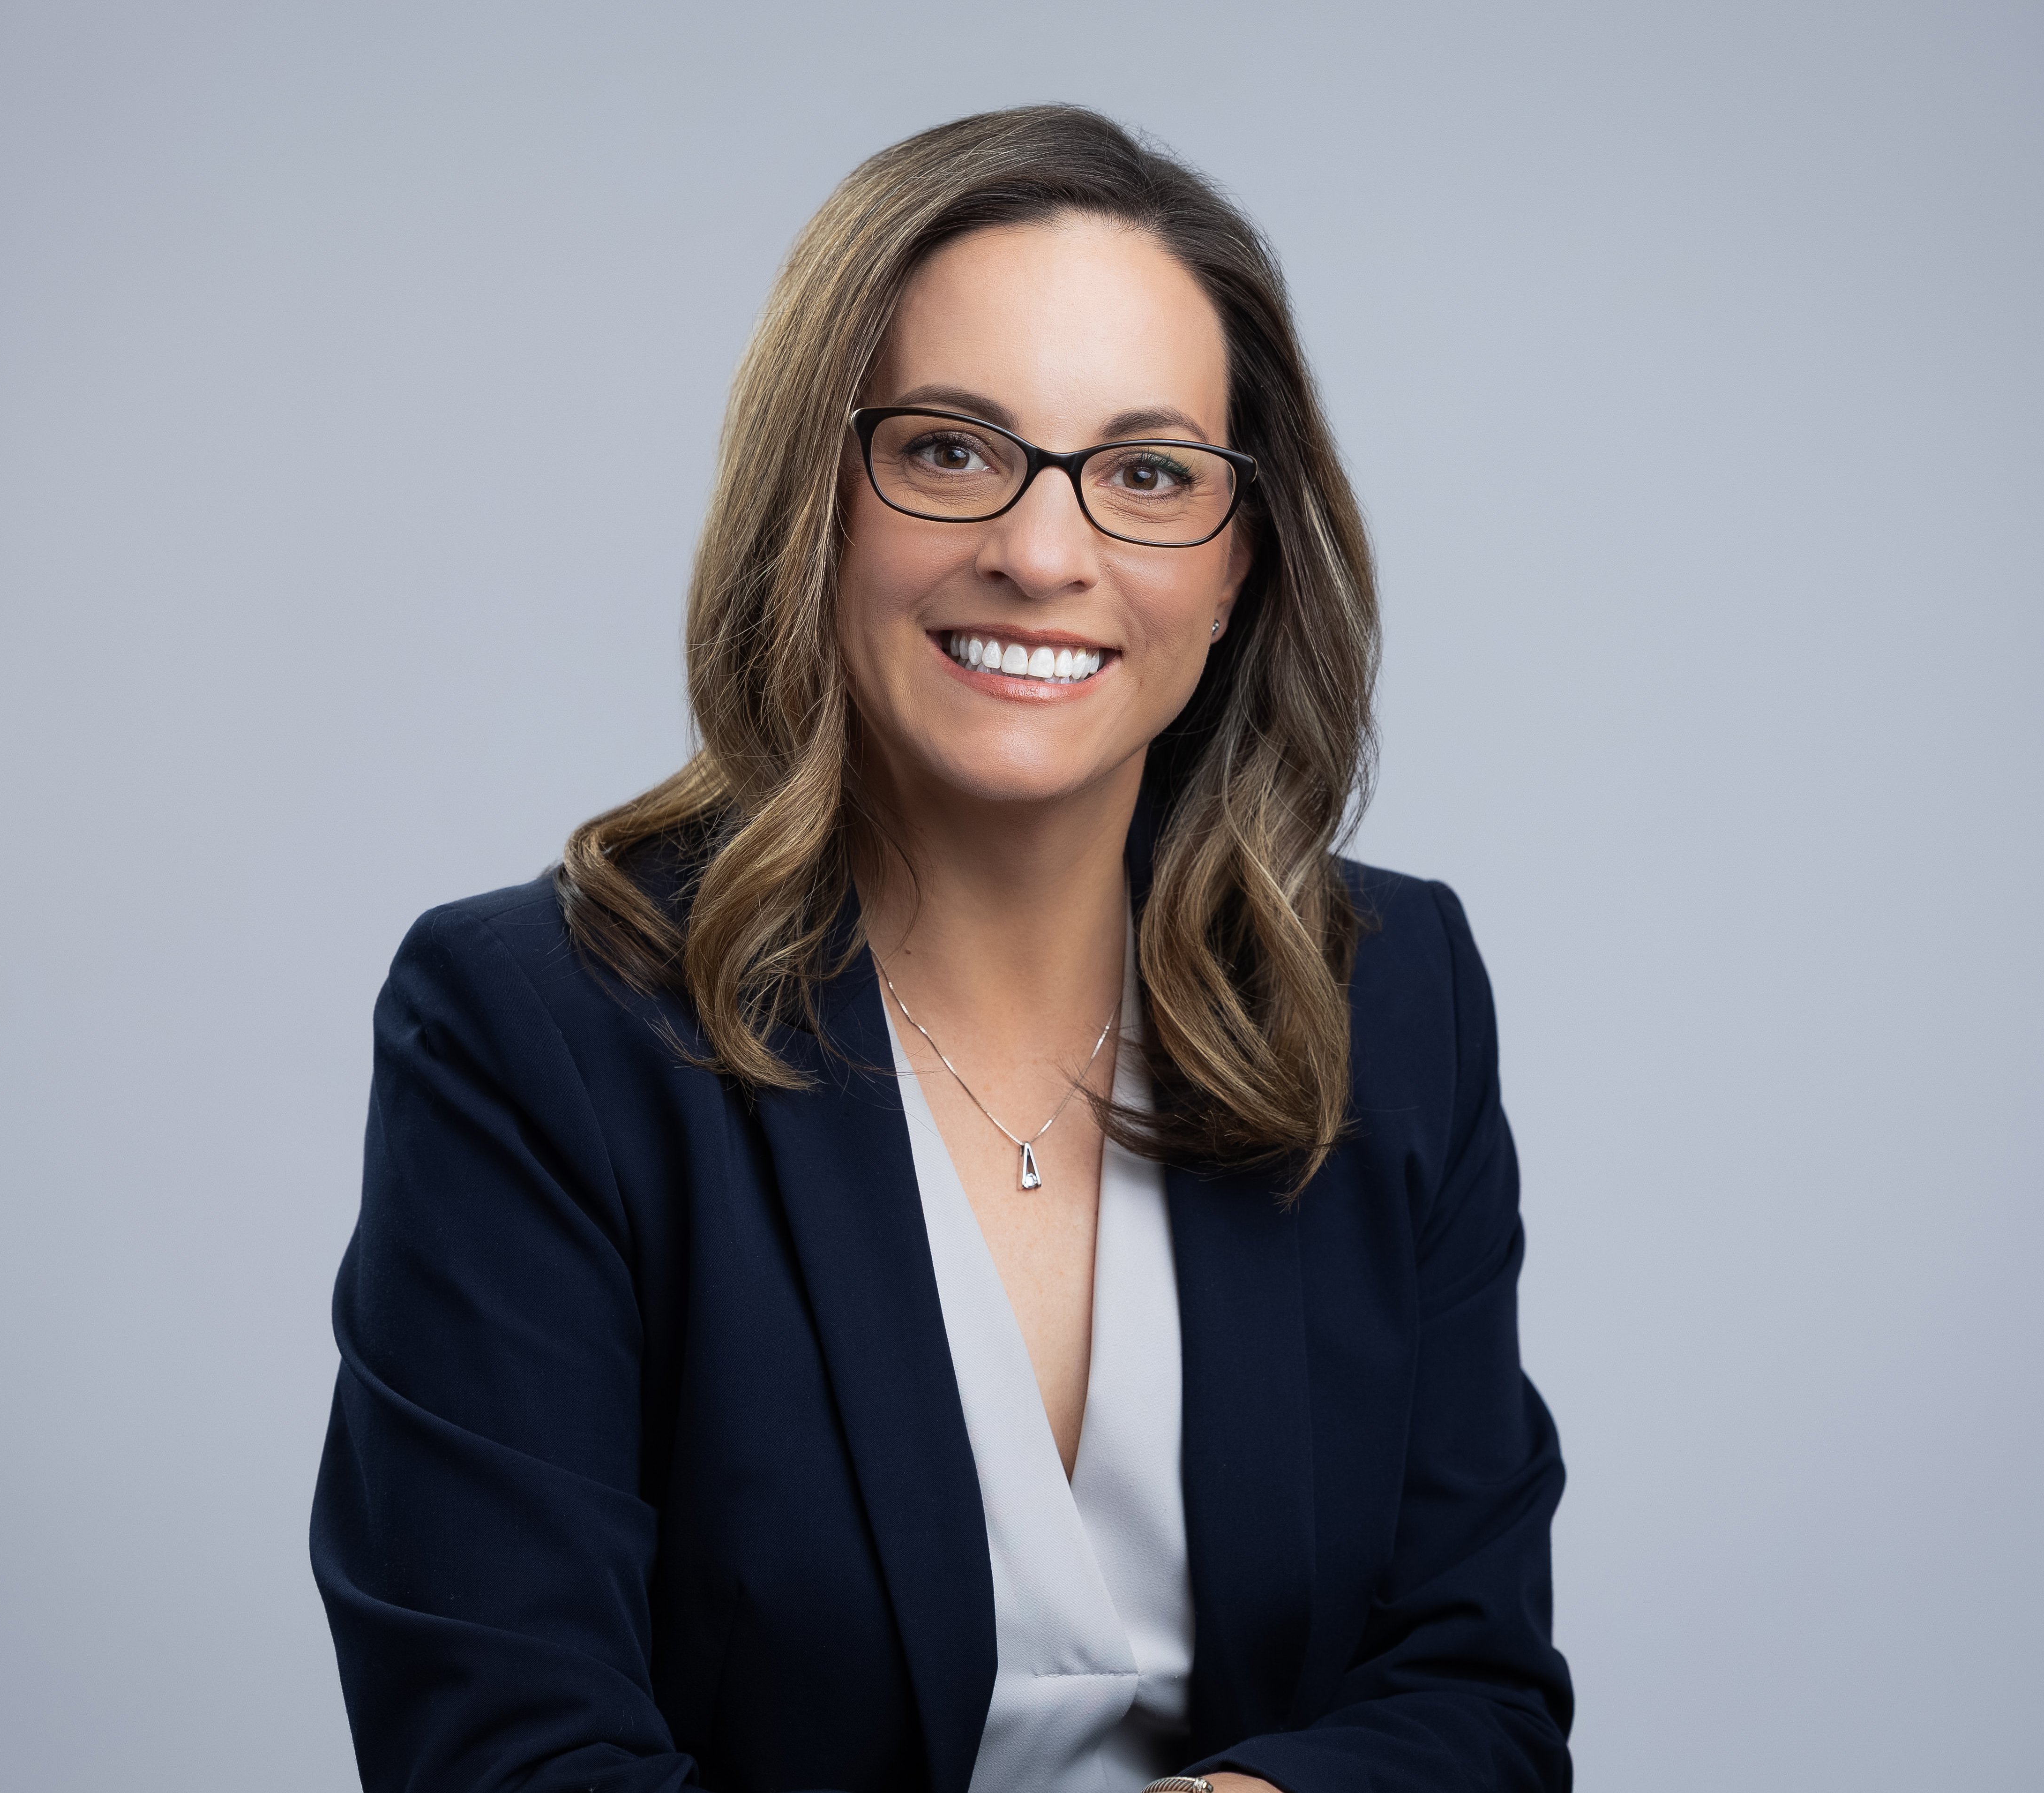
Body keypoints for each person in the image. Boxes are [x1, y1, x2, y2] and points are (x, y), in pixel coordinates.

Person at [310, 105, 1573, 1793]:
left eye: (1147, 475)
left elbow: (1475, 1701)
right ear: (814, 500)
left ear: (1237, 564)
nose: (1041, 555)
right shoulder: (536, 1032)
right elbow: (507, 1761)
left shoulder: (1386, 994)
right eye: (949, 450)